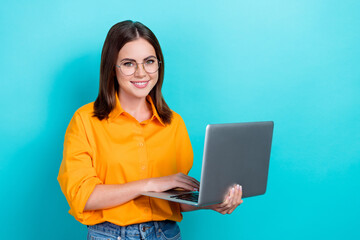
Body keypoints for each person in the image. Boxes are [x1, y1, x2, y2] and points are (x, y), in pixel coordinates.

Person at [57, 20, 243, 240]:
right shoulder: (85, 121)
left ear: (158, 65)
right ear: (112, 68)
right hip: (111, 235)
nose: (141, 72)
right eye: (128, 63)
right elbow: (84, 196)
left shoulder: (173, 123)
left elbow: (176, 201)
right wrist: (151, 184)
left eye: (149, 61)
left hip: (166, 233)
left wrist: (213, 202)